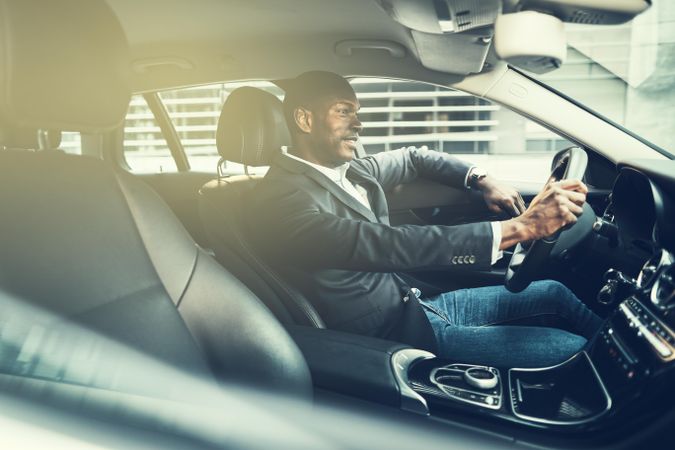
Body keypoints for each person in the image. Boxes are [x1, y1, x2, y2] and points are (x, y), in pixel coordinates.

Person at [245, 71, 601, 368]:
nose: (359, 124)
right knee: (572, 351)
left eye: (358, 112)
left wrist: (483, 179)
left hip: (416, 304)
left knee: (554, 293)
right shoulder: (278, 201)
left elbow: (414, 157)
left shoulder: (350, 171)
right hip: (390, 338)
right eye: (343, 112)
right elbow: (382, 243)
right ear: (305, 119)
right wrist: (520, 228)